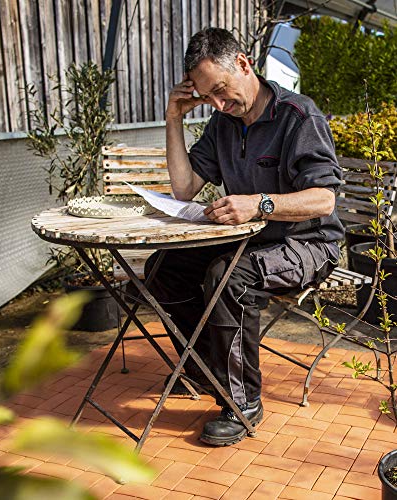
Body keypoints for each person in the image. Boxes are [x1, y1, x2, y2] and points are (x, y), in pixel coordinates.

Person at [145, 27, 344, 446]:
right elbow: (184, 189)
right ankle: (203, 364)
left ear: (243, 63)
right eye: (208, 98)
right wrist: (174, 117)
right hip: (253, 240)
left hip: (308, 243)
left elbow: (323, 199)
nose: (219, 104)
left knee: (229, 278)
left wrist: (260, 204)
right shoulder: (222, 124)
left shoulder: (299, 117)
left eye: (221, 90)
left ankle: (242, 404)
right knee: (163, 267)